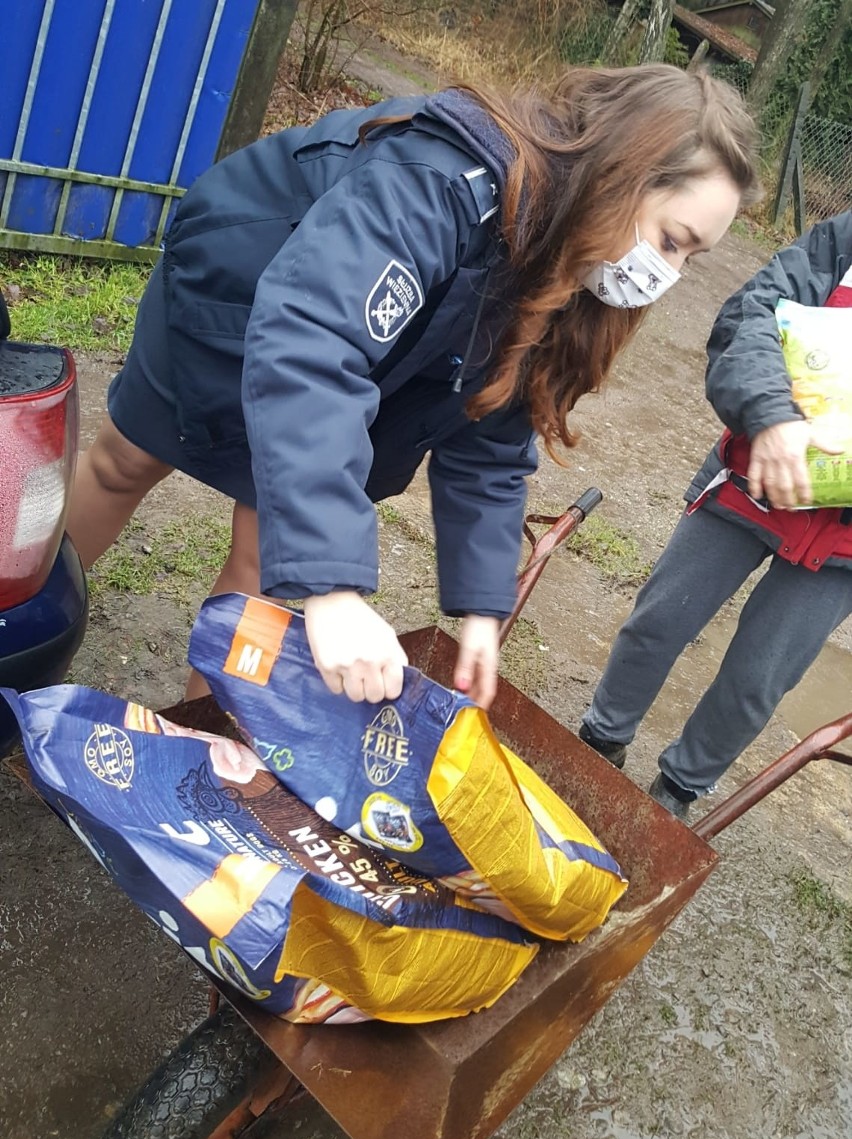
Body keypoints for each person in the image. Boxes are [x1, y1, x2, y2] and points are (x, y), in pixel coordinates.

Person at [67, 65, 759, 709]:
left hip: (349, 358)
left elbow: (491, 433)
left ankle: (202, 737)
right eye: (671, 239)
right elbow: (311, 342)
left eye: (690, 259)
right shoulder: (440, 182)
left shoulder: (571, 261)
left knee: (260, 552)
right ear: (623, 174)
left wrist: (483, 606)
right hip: (234, 293)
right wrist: (332, 586)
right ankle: (20, 622)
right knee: (126, 461)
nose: (664, 274)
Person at [579, 210, 852, 817]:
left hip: (842, 552)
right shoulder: (844, 243)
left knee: (757, 683)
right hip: (752, 479)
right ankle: (601, 738)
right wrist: (773, 416)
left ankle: (674, 794)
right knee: (659, 622)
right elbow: (750, 316)